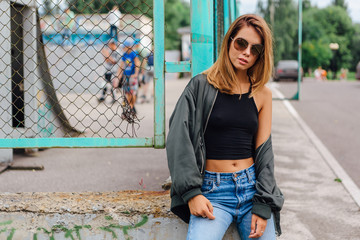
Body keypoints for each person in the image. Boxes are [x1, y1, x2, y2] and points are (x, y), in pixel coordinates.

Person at [166, 14, 284, 240]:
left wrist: (262, 203)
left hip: (251, 190)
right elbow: (178, 138)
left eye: (255, 49)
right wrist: (192, 193)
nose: (246, 52)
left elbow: (265, 155)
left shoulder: (262, 93)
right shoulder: (201, 85)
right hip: (213, 193)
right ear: (229, 40)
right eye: (241, 43)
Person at [113, 41, 140, 117]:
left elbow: (137, 63)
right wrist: (118, 77)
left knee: (133, 92)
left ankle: (131, 107)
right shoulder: (124, 55)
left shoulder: (133, 54)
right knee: (127, 93)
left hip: (132, 76)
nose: (124, 48)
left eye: (125, 47)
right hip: (126, 76)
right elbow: (121, 66)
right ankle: (130, 108)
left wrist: (136, 74)